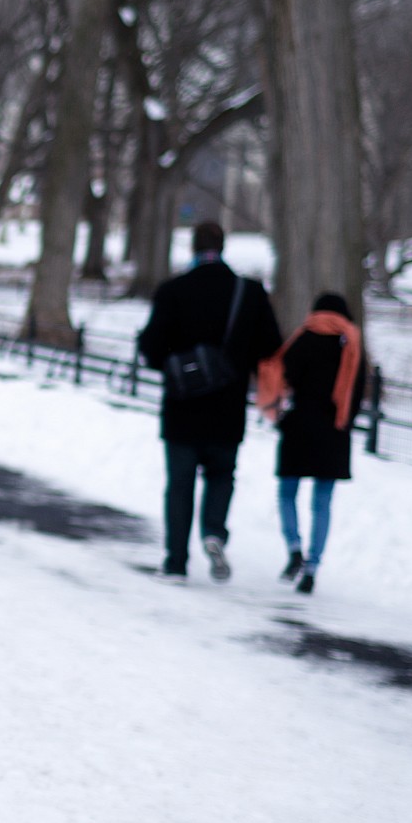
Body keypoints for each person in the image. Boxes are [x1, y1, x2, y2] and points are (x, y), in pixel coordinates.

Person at [135, 221, 282, 579]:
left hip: (182, 408)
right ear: (223, 247)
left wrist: (178, 363)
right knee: (221, 475)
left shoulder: (173, 291)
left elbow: (151, 349)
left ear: (193, 249)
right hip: (227, 409)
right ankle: (214, 531)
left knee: (180, 485)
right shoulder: (248, 293)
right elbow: (270, 347)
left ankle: (176, 560)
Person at [259, 292, 367, 595]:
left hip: (298, 426)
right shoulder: (352, 343)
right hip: (334, 430)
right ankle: (313, 566)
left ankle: (294, 547)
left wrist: (280, 414)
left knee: (287, 493)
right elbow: (357, 390)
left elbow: (281, 374)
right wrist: (344, 420)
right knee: (322, 502)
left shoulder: (302, 337)